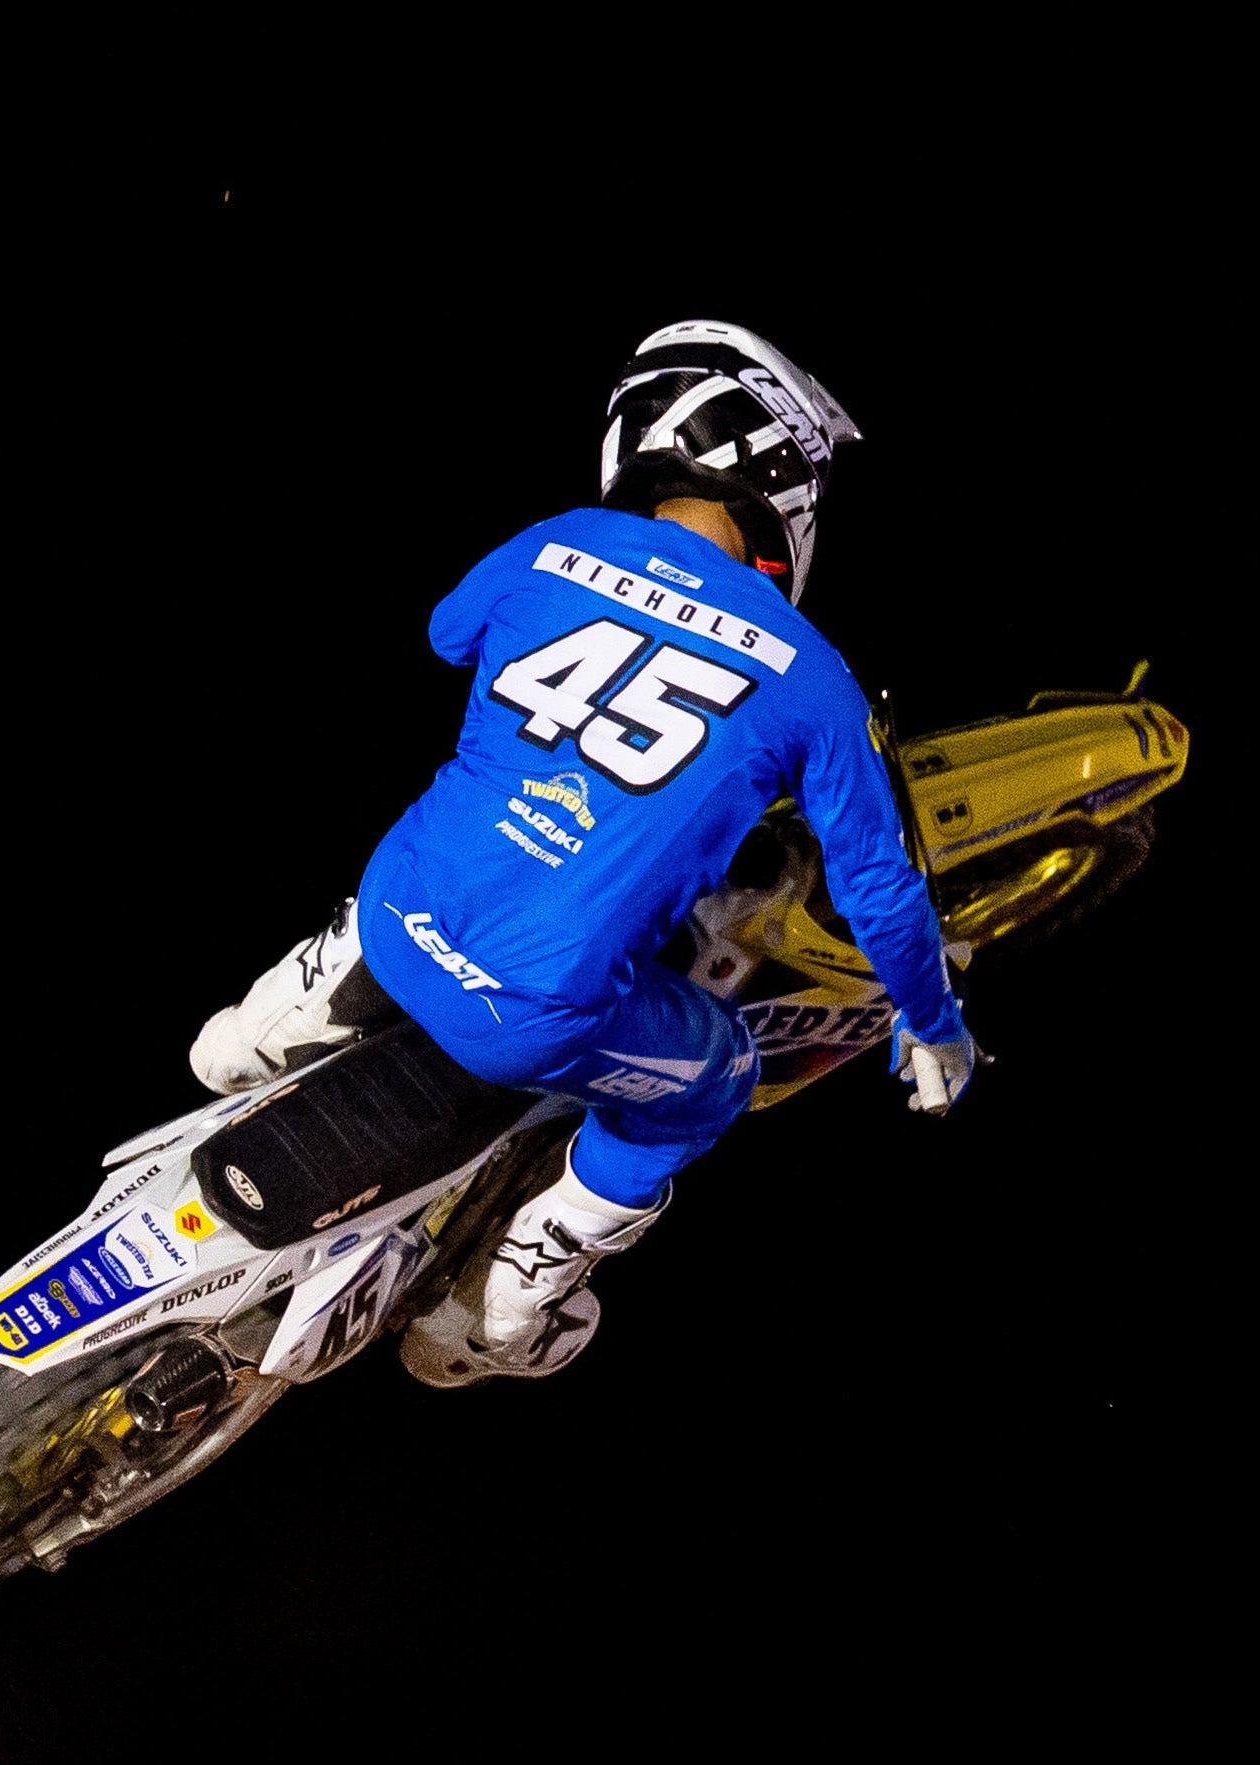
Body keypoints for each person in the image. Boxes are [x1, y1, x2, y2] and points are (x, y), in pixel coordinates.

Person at [186, 319, 978, 1386]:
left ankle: (281, 1013)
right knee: (717, 1077)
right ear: (773, 473)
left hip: (397, 909)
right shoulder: (812, 676)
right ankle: (511, 1299)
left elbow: (447, 634)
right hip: (528, 1013)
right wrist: (933, 1023)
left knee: (438, 843)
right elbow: (879, 889)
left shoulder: (555, 539)